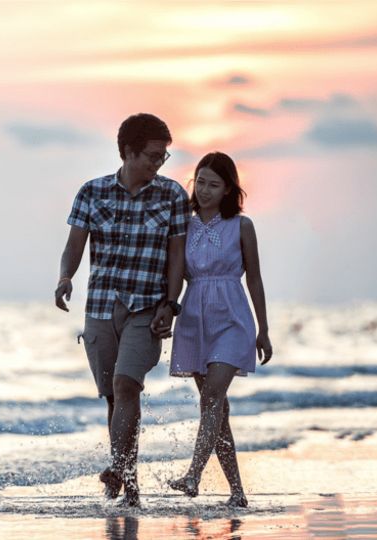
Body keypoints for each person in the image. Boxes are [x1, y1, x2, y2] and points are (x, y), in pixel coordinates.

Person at [55, 113, 190, 506]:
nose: (159, 163)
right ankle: (128, 484)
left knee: (126, 384)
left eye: (163, 156)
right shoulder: (91, 192)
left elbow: (176, 258)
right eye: (152, 156)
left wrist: (170, 303)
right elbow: (74, 245)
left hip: (147, 308)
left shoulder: (172, 195)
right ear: (128, 152)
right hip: (100, 306)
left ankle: (119, 471)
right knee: (115, 399)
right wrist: (66, 278)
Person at [166, 151, 273, 507]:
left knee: (212, 398)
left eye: (215, 184)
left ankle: (193, 475)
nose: (206, 190)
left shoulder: (242, 226)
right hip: (194, 319)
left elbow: (255, 278)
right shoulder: (183, 223)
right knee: (216, 410)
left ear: (229, 189)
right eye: (201, 182)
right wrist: (164, 310)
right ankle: (238, 493)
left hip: (232, 318)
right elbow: (175, 275)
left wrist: (264, 329)